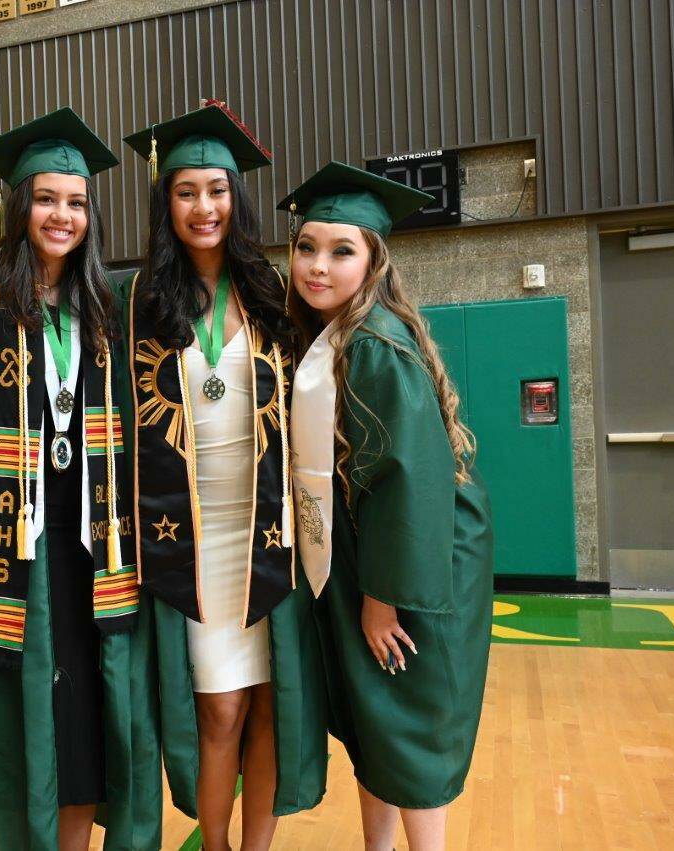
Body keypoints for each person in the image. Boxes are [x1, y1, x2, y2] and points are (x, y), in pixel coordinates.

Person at [0, 109, 161, 850]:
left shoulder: (107, 306)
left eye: (77, 201)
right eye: (48, 198)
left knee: (85, 724)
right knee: (15, 724)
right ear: (19, 204)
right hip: (5, 550)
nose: (63, 215)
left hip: (92, 548)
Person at [122, 102, 329, 850]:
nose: (203, 206)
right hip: (193, 542)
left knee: (271, 705)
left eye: (216, 189)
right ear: (165, 202)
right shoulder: (140, 302)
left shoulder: (274, 295)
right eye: (185, 191)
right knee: (221, 712)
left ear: (234, 198)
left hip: (269, 534)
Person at [278, 161, 493, 851]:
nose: (318, 265)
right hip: (374, 558)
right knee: (376, 722)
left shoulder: (373, 346)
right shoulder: (339, 335)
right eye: (307, 246)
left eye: (342, 251)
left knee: (407, 729)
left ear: (373, 261)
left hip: (412, 570)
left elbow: (406, 480)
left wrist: (384, 597)